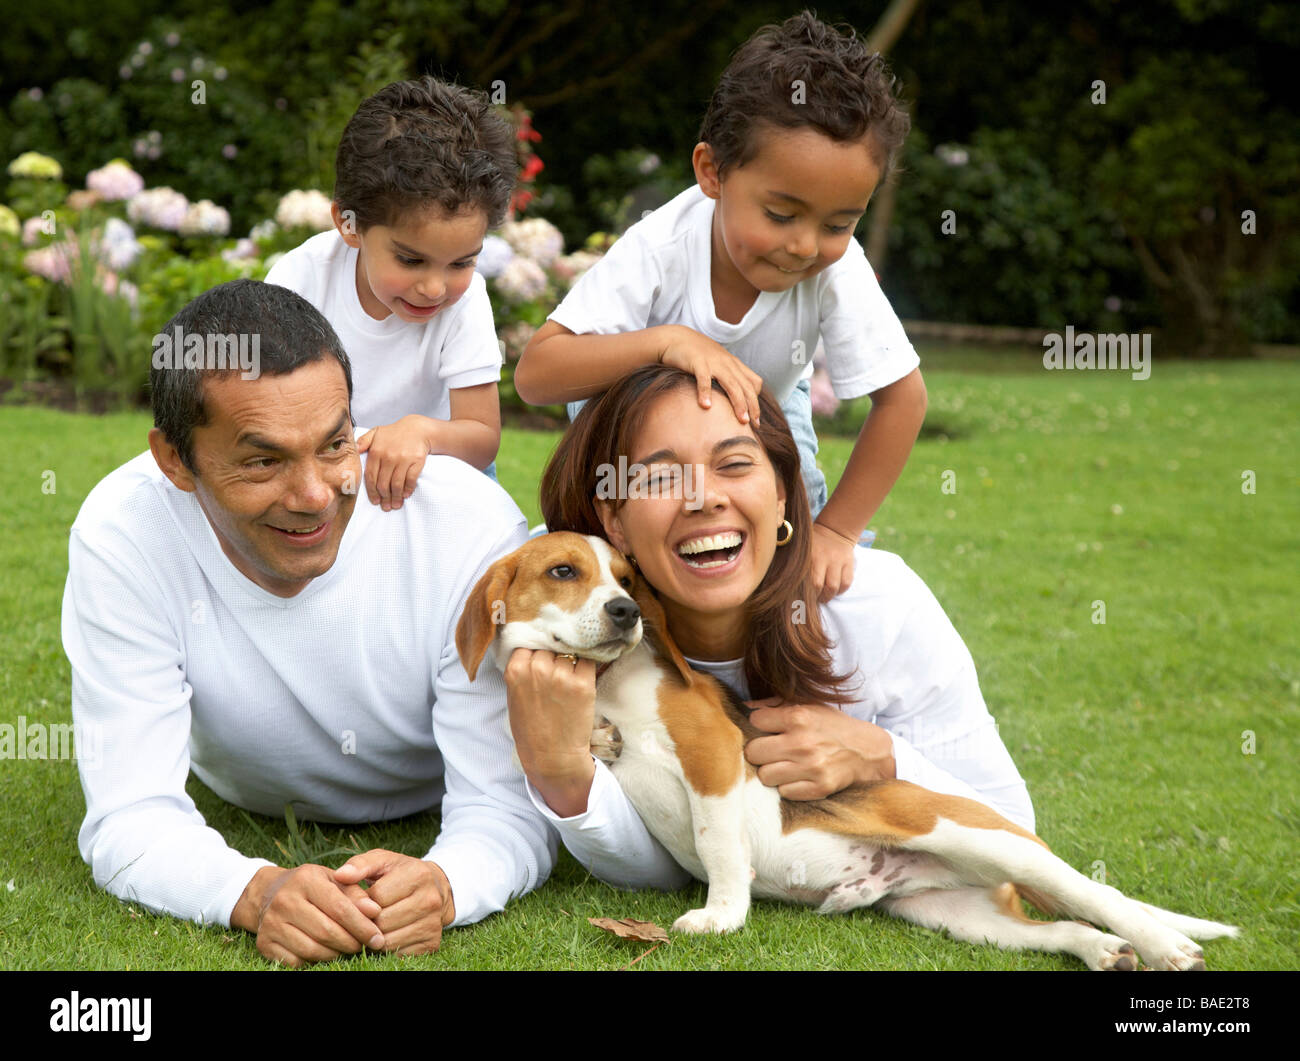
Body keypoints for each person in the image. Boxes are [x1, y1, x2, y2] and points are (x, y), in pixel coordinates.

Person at [62, 280, 553, 967]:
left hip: (428, 785)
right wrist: (252, 890)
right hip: (244, 790)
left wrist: (448, 883)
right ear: (173, 459)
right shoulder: (122, 533)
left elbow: (510, 803)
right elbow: (128, 813)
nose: (315, 496)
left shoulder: (466, 525)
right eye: (263, 460)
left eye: (333, 445)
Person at [502, 364, 1031, 891]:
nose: (703, 498)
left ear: (782, 492)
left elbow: (1012, 829)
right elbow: (664, 868)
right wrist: (563, 775)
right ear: (614, 520)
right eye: (661, 477)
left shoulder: (877, 604)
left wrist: (884, 757)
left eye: (734, 464)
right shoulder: (555, 614)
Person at [514, 12, 927, 601]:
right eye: (781, 215)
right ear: (712, 172)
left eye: (839, 222)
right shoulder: (659, 248)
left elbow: (903, 399)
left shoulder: (838, 265)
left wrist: (835, 530)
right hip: (629, 451)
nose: (806, 245)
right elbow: (537, 374)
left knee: (795, 581)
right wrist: (668, 344)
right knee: (604, 591)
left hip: (766, 418)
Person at [266, 76, 513, 512]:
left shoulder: (467, 300)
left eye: (462, 262)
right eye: (410, 260)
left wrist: (421, 432)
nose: (436, 288)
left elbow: (480, 439)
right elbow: (266, 401)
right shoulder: (300, 279)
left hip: (438, 466)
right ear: (350, 224)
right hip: (325, 464)